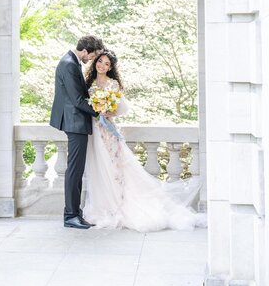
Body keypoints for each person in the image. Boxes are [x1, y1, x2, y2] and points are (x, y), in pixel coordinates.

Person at [82, 50, 207, 231]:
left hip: (108, 131)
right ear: (95, 63)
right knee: (98, 168)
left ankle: (117, 205)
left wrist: (107, 111)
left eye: (107, 64)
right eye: (100, 61)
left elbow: (120, 108)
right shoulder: (89, 83)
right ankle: (102, 206)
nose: (102, 65)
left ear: (111, 68)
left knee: (113, 168)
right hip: (94, 131)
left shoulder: (113, 84)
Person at [50, 35, 104, 229]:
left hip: (76, 122)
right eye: (92, 56)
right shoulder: (69, 65)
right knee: (74, 170)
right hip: (74, 123)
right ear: (85, 51)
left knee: (77, 170)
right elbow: (77, 100)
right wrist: (100, 112)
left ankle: (75, 213)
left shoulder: (71, 61)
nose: (91, 59)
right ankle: (70, 215)